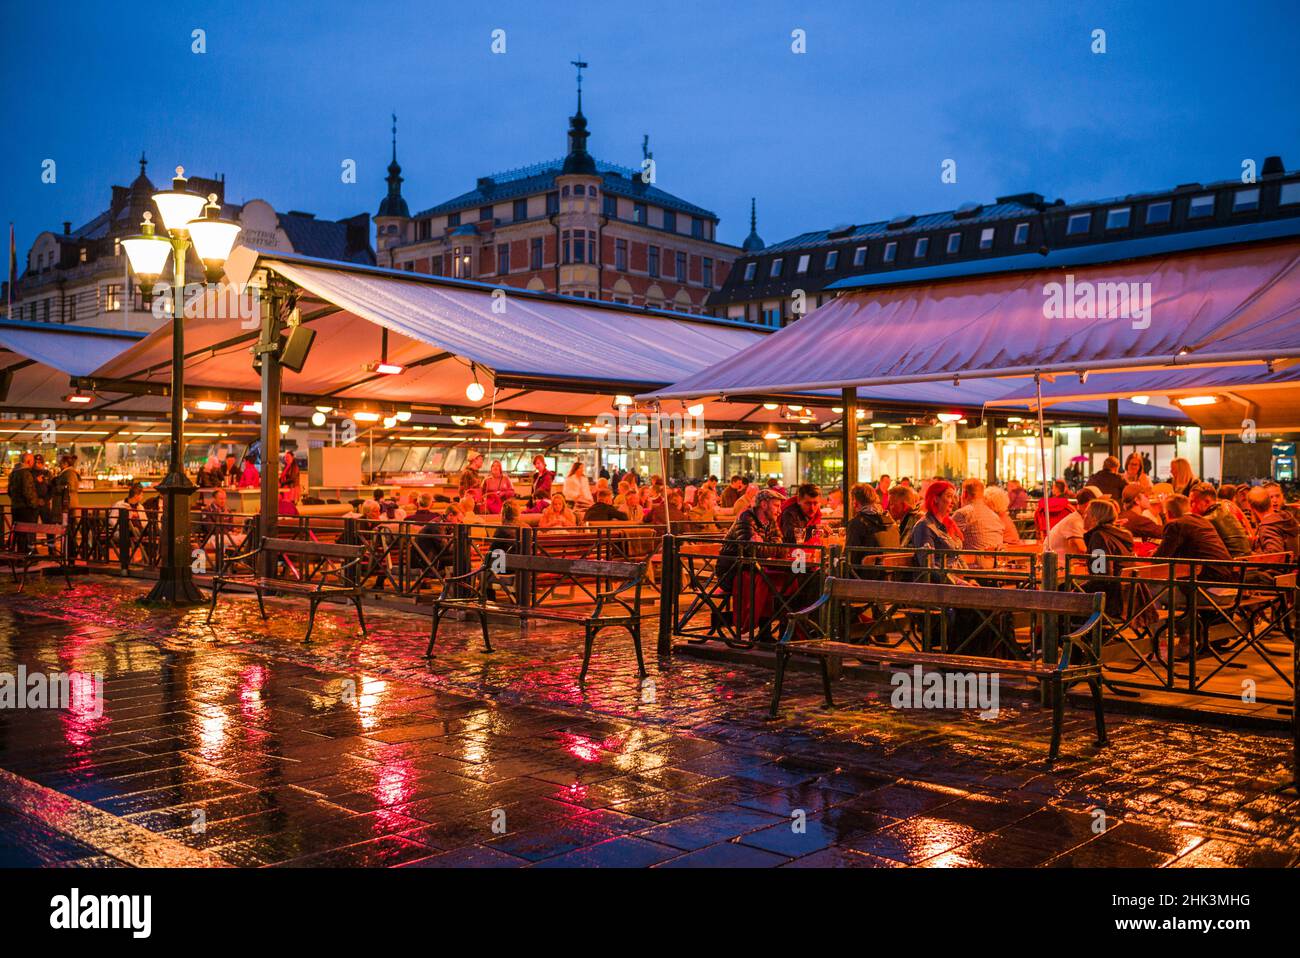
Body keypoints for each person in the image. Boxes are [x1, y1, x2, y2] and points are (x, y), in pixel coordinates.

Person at [716, 488, 784, 593]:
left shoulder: (771, 521)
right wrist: (770, 546)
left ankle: (780, 608)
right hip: (732, 571)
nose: (780, 511)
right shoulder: (745, 518)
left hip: (753, 567)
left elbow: (781, 547)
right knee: (771, 580)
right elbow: (754, 551)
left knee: (790, 575)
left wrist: (764, 545)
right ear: (764, 505)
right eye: (776, 506)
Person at [1154, 494, 1232, 576]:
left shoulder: (1175, 524)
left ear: (1169, 513)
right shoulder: (1203, 521)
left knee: (1152, 584)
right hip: (1228, 576)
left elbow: (1159, 559)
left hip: (1208, 578)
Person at [1082, 498, 1134, 617]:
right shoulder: (1118, 535)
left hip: (1111, 603)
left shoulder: (1099, 537)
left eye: (1086, 514)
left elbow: (1101, 574)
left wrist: (1076, 591)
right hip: (1128, 599)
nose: (1083, 517)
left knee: (1061, 601)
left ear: (1095, 518)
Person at [1189, 482, 1250, 557]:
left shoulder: (1207, 521)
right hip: (1243, 563)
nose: (1190, 507)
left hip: (1231, 566)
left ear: (1207, 501)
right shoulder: (1226, 511)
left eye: (1193, 502)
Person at [951, 478, 1005, 553]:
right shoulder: (994, 516)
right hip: (995, 561)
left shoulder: (962, 514)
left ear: (965, 494)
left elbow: (948, 541)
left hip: (972, 563)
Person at [1043, 486, 1096, 561]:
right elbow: (1080, 551)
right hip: (1059, 566)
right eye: (1098, 505)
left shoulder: (1080, 518)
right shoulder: (1074, 521)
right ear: (1088, 504)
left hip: (1065, 564)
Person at [844, 483, 898, 557]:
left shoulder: (856, 524)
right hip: (891, 566)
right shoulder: (889, 520)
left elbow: (849, 557)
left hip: (867, 568)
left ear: (855, 502)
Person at [1247, 485, 1300, 556]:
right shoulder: (1284, 518)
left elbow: (1275, 556)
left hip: (1282, 567)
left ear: (1251, 507)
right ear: (1269, 501)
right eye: (1271, 497)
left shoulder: (1269, 526)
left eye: (1277, 496)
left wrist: (1249, 555)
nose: (1275, 500)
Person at [7, 453, 42, 550]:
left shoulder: (13, 473)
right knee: (26, 533)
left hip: (15, 507)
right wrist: (34, 504)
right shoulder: (26, 473)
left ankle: (17, 554)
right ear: (28, 461)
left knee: (18, 533)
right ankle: (25, 555)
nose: (33, 463)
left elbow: (9, 491)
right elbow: (28, 492)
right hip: (26, 508)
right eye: (33, 461)